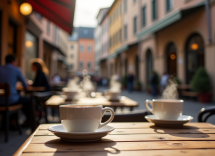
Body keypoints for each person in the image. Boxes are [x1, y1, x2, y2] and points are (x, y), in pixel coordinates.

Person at [0, 54, 30, 123]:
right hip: (11, 100)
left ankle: (12, 122)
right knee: (28, 100)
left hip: (0, 100)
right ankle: (29, 122)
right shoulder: (17, 70)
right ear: (13, 62)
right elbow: (25, 85)